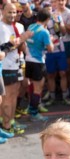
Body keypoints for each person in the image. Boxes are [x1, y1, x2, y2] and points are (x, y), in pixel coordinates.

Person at [0, 3, 31, 134]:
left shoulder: (19, 26)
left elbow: (21, 47)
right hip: (5, 66)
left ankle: (10, 122)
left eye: (15, 12)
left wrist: (23, 42)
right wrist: (20, 40)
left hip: (17, 64)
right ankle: (6, 126)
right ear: (2, 11)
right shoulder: (1, 27)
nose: (13, 15)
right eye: (10, 12)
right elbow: (2, 51)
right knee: (7, 98)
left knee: (14, 96)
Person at [24, 8, 54, 122]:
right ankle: (34, 113)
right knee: (38, 88)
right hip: (38, 61)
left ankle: (31, 108)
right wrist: (50, 40)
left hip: (28, 60)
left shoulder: (31, 27)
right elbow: (50, 49)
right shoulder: (44, 32)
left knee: (32, 86)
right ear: (47, 19)